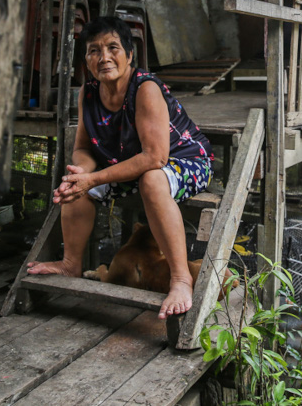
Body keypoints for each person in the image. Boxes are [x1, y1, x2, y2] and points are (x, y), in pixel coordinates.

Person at [26, 16, 213, 319]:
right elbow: (84, 148)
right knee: (75, 184)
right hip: (128, 164)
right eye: (93, 50)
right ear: (86, 59)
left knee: (152, 180)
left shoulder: (145, 88)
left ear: (129, 54)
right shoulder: (87, 93)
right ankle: (70, 264)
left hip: (185, 161)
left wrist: (93, 178)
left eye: (113, 47)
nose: (104, 57)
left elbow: (155, 158)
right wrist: (82, 175)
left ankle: (181, 279)